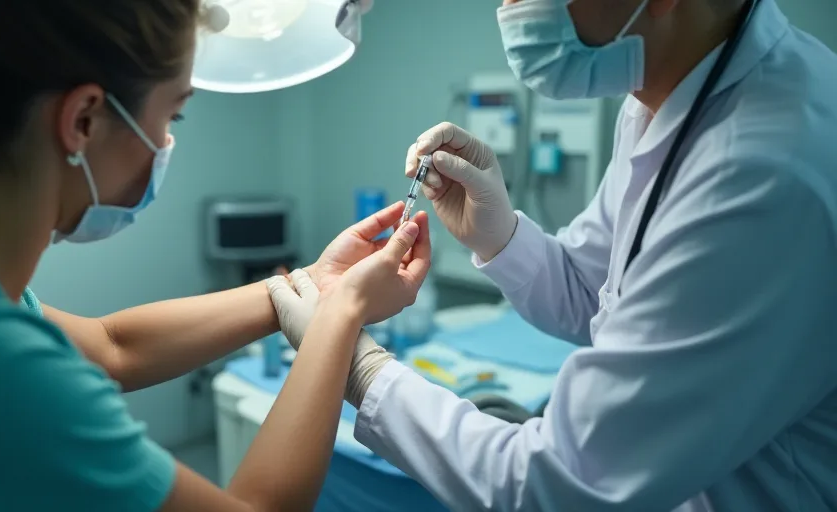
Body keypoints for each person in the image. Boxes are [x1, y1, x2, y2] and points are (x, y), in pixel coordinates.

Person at [0, 1, 433, 510]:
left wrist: (310, 285)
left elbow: (112, 348)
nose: (164, 144)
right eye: (173, 114)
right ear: (83, 119)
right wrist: (342, 314)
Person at [269, 0, 837, 510]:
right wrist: (498, 235)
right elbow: (600, 293)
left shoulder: (759, 172)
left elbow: (560, 486)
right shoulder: (663, 102)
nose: (509, 8)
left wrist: (356, 364)